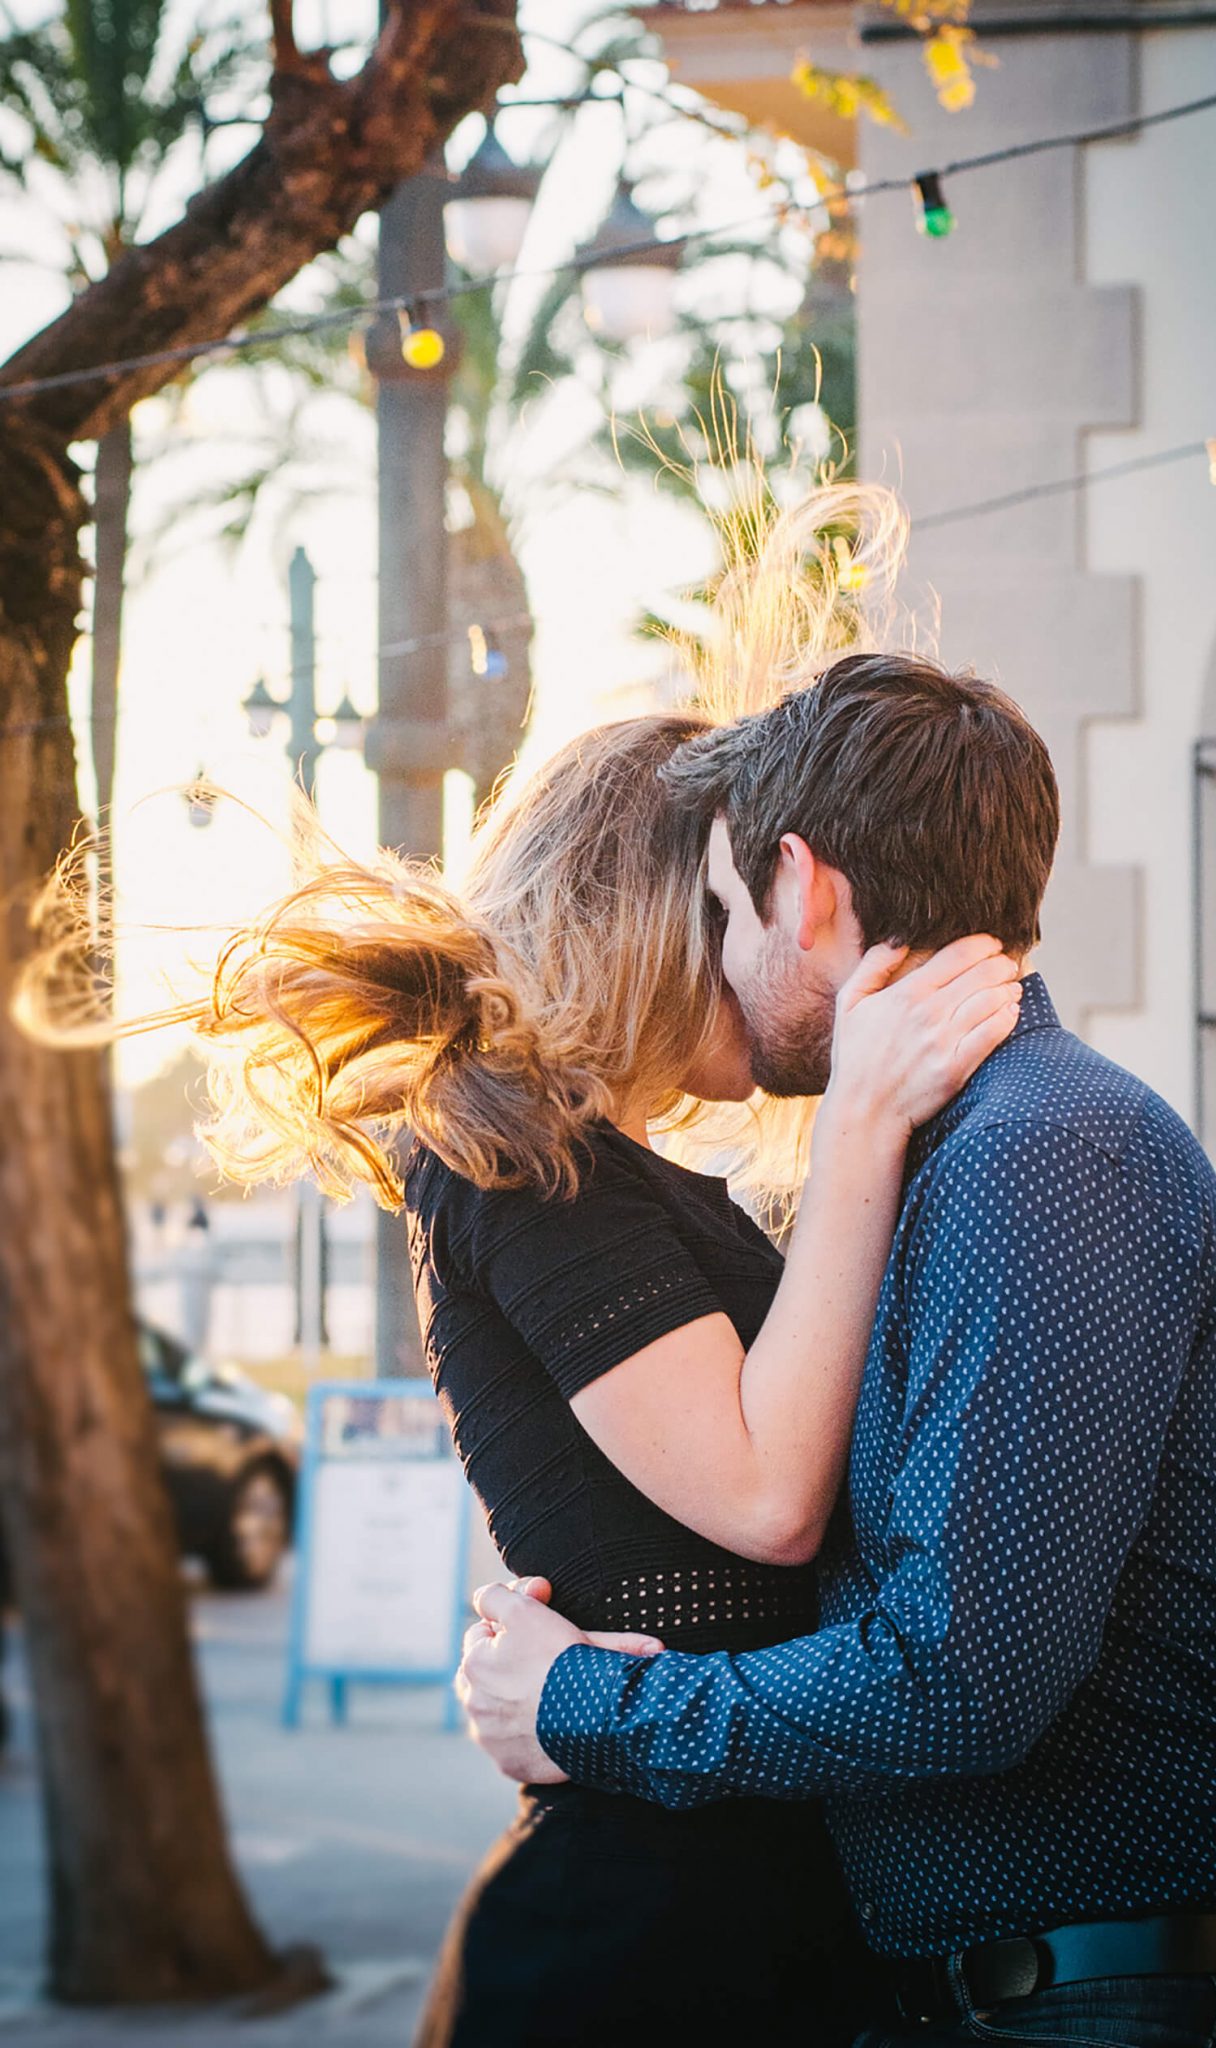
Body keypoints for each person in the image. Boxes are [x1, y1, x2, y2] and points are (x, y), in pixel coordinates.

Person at [16, 700, 1020, 2047]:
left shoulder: (616, 1175)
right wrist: (861, 1128)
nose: (765, 948)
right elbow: (768, 1494)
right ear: (654, 911)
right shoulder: (522, 1158)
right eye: (732, 905)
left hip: (732, 1895)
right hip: (637, 1931)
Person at [457, 651, 1216, 2046]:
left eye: (719, 905)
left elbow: (959, 1679)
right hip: (1062, 1989)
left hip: (1130, 1994)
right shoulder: (965, 1158)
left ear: (805, 888)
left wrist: (591, 1700)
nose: (714, 951)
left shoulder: (1039, 1155)